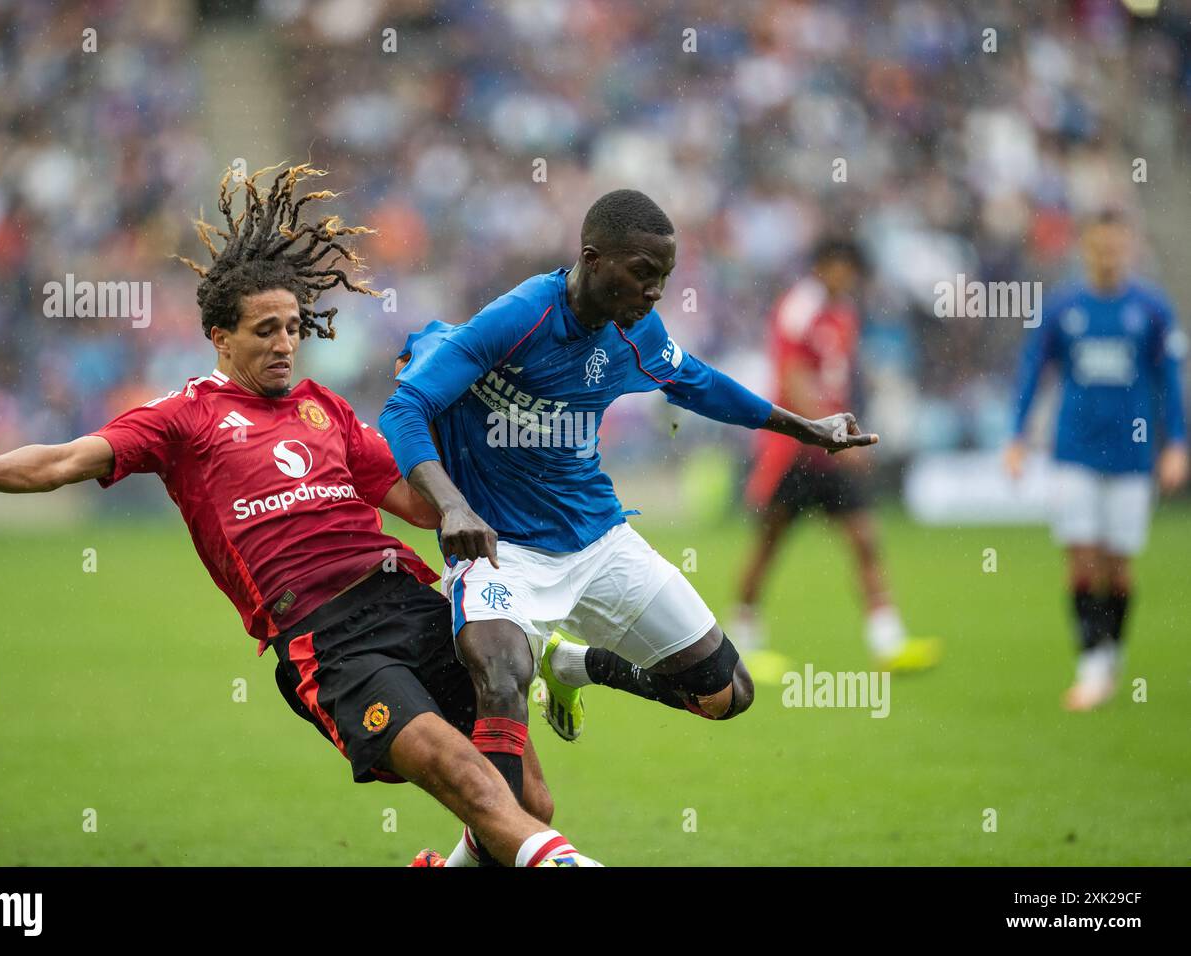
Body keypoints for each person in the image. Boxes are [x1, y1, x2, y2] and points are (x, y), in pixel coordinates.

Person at [0, 162, 595, 868]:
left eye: (293, 327)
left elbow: (420, 505)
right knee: (471, 783)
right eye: (265, 330)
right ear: (219, 337)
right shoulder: (184, 420)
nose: (284, 343)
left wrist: (498, 461)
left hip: (409, 603)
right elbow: (63, 461)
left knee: (528, 804)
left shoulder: (323, 409)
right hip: (328, 640)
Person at [378, 189, 878, 865]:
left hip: (600, 543)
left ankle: (575, 663)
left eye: (664, 278)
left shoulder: (635, 333)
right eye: (644, 272)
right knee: (501, 677)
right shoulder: (521, 318)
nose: (655, 291)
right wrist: (454, 506)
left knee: (726, 697)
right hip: (502, 554)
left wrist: (809, 429)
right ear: (592, 259)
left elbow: (698, 383)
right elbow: (406, 407)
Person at [1005, 209, 1188, 712]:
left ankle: (1112, 654)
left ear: (1128, 248)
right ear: (1086, 248)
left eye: (1116, 247)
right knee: (1081, 559)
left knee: (1118, 569)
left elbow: (1169, 380)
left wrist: (1177, 443)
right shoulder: (1064, 306)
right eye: (1099, 246)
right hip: (1074, 453)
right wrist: (1016, 436)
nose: (1108, 256)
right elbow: (1031, 371)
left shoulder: (1151, 308)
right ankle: (1089, 667)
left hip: (1131, 456)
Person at [733, 239, 939, 683]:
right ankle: (742, 640)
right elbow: (792, 379)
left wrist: (847, 432)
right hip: (793, 451)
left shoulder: (844, 314)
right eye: (840, 268)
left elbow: (837, 385)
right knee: (768, 547)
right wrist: (831, 433)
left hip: (830, 455)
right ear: (823, 268)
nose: (846, 277)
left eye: (851, 269)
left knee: (865, 538)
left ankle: (888, 642)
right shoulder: (798, 308)